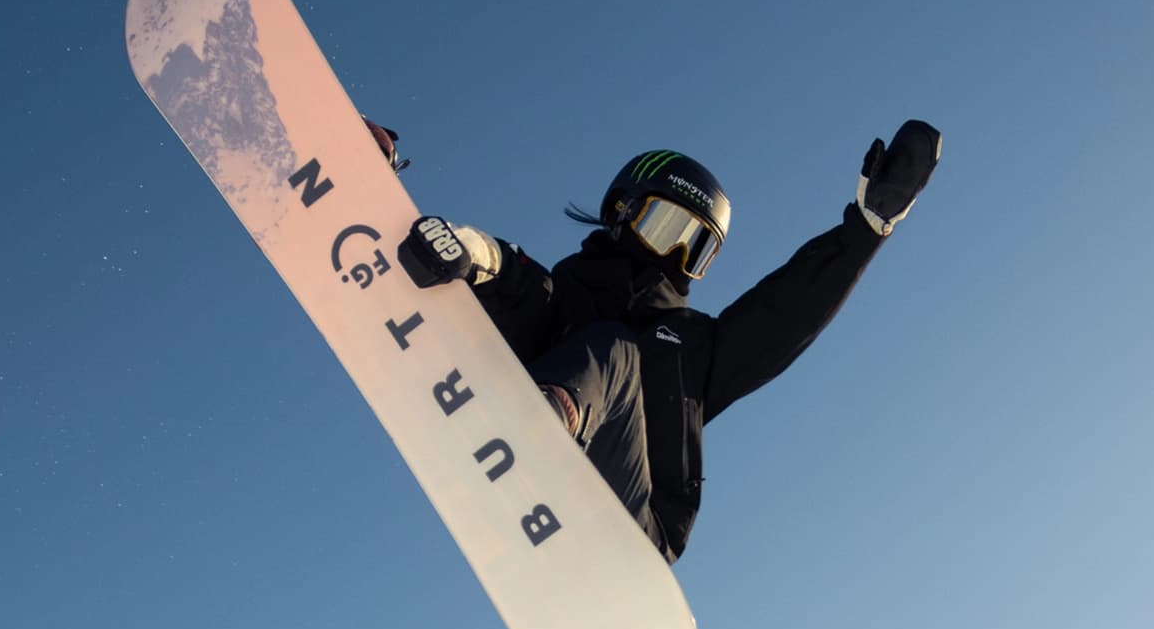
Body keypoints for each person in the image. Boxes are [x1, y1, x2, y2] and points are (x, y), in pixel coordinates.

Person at [363, 120, 941, 563]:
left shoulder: (693, 348)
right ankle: (530, 418)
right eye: (666, 229)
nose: (673, 257)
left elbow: (785, 311)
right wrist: (459, 246)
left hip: (633, 517)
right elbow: (510, 273)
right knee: (539, 306)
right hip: (540, 424)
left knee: (616, 351)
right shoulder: (562, 297)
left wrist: (865, 230)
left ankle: (539, 426)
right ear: (622, 213)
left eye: (695, 246)